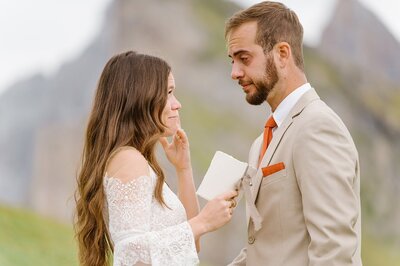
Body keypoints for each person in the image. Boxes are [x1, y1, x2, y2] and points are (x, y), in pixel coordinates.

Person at [225, 2, 361, 265]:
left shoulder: (318, 127)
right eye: (232, 61)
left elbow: (334, 251)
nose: (234, 73)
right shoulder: (260, 143)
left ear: (282, 54)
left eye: (244, 58)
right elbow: (264, 249)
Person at [74, 51, 238, 266]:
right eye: (168, 93)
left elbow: (192, 245)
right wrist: (204, 221)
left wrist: (184, 169)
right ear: (140, 98)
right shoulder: (128, 160)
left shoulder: (137, 160)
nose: (177, 104)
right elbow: (131, 252)